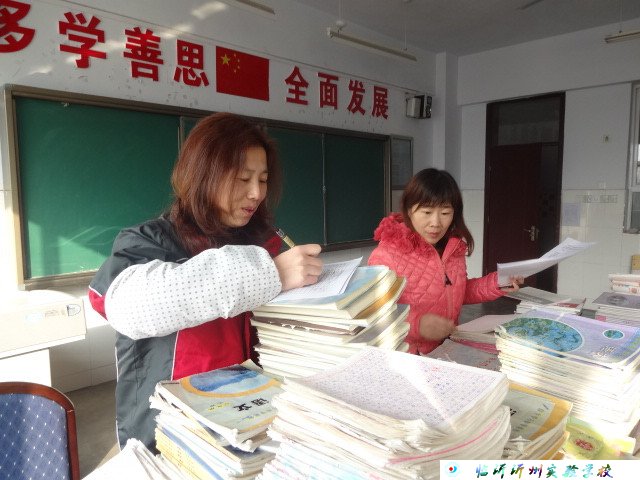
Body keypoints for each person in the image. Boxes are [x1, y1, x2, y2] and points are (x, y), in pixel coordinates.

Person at [88, 112, 323, 450]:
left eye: (263, 179)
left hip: (248, 419)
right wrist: (271, 273)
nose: (256, 193)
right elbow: (126, 307)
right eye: (243, 179)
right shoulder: (149, 240)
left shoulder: (262, 242)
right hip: (170, 434)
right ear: (203, 175)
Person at [368, 168, 521, 355]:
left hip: (445, 349)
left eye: (445, 213)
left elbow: (457, 292)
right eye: (427, 212)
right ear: (409, 210)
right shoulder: (386, 255)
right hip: (407, 356)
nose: (436, 222)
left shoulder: (452, 249)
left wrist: (497, 282)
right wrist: (417, 325)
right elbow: (373, 314)